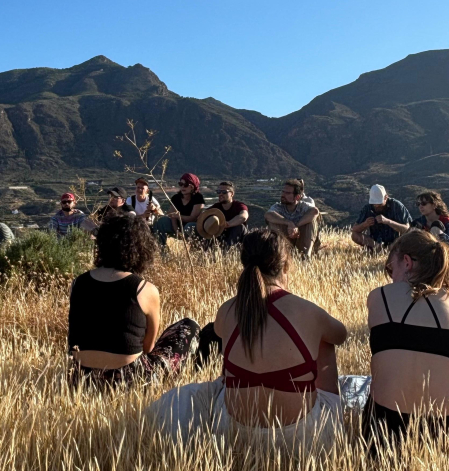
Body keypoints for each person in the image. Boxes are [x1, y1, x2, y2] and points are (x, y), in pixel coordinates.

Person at [148, 228, 347, 452]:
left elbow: (220, 333)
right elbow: (340, 334)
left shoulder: (227, 309)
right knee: (325, 342)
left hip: (233, 430)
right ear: (285, 266)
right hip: (301, 435)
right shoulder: (307, 311)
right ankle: (334, 433)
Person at [364, 229, 449, 451]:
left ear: (407, 262)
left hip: (385, 429)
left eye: (391, 268)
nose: (391, 277)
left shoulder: (379, 296)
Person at [67, 214, 200, 387]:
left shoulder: (77, 283)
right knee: (189, 326)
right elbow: (148, 347)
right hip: (130, 378)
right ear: (141, 248)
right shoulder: (144, 289)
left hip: (81, 378)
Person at [265, 180, 320, 258]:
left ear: (297, 197)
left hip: (302, 240)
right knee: (273, 222)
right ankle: (278, 254)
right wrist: (288, 223)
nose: (283, 195)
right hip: (285, 243)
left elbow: (315, 211)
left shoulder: (303, 206)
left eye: (287, 193)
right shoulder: (278, 207)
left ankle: (306, 256)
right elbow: (268, 215)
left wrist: (296, 226)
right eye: (283, 192)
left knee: (311, 222)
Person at [351, 185, 411, 252]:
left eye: (379, 204)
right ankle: (378, 248)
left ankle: (390, 249)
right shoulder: (367, 208)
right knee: (354, 235)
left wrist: (388, 221)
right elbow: (354, 230)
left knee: (408, 237)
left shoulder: (397, 206)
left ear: (386, 197)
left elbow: (407, 229)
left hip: (395, 242)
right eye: (374, 204)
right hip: (375, 243)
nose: (376, 206)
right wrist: (365, 224)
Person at [153, 173, 204, 245]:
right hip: (176, 226)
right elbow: (172, 215)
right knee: (161, 221)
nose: (183, 187)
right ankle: (161, 248)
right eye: (181, 184)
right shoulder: (176, 198)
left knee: (189, 226)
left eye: (186, 185)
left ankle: (195, 248)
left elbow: (192, 218)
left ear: (192, 187)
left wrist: (178, 216)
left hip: (191, 226)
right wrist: (176, 231)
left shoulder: (198, 198)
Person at [196, 182, 249, 249]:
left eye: (224, 192)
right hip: (221, 237)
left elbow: (243, 216)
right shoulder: (215, 208)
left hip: (237, 238)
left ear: (232, 194)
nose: (220, 194)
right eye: (219, 192)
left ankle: (227, 251)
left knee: (239, 227)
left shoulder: (239, 205)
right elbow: (202, 217)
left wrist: (227, 224)